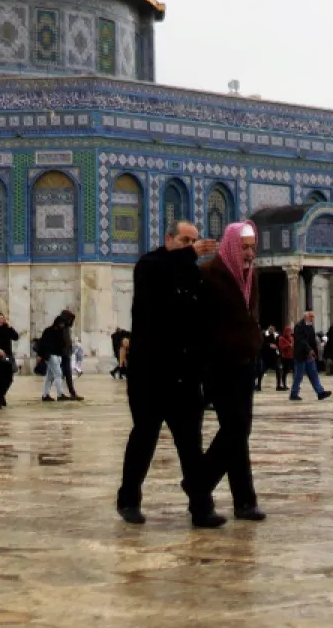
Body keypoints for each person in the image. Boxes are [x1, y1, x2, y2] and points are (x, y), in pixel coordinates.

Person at [116, 221, 225, 528]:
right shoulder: (149, 265)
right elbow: (157, 295)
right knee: (144, 438)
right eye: (184, 240)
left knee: (190, 445)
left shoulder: (193, 274)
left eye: (193, 240)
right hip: (150, 373)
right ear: (168, 239)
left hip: (185, 374)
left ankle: (201, 508)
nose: (189, 245)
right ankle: (128, 500)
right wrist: (189, 254)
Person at [198, 221, 266, 521]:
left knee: (239, 431)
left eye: (253, 247)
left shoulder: (249, 278)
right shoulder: (209, 276)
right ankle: (199, 484)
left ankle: (244, 501)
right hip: (218, 365)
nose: (250, 253)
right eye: (245, 247)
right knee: (236, 429)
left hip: (243, 363)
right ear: (231, 246)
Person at [289, 311, 331, 401]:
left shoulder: (311, 326)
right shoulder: (299, 327)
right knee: (298, 376)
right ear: (306, 317)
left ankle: (320, 392)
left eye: (313, 317)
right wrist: (309, 350)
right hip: (300, 355)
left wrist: (314, 352)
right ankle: (294, 393)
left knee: (314, 374)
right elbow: (301, 341)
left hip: (309, 355)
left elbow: (312, 341)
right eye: (311, 316)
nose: (312, 318)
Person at [38, 315, 69, 402]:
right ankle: (60, 394)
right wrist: (40, 355)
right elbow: (43, 343)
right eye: (62, 323)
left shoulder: (60, 332)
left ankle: (45, 395)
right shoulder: (48, 331)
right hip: (51, 355)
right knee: (58, 374)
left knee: (49, 377)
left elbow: (62, 344)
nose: (63, 325)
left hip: (58, 356)